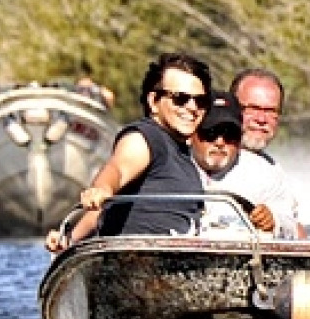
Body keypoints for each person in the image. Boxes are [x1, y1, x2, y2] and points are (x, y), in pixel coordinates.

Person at [47, 52, 211, 252]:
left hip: (178, 265)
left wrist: (70, 239)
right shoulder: (145, 138)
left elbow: (104, 211)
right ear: (154, 101)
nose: (192, 107)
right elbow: (118, 168)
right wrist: (103, 189)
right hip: (134, 265)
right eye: (180, 99)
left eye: (201, 101)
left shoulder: (182, 152)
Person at [189, 93, 298, 238]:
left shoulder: (265, 172)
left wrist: (273, 220)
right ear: (191, 134)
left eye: (230, 134)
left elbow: (291, 225)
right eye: (210, 132)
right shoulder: (169, 164)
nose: (220, 142)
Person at [230, 67, 304, 236]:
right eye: (252, 109)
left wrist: (273, 221)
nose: (261, 119)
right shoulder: (198, 154)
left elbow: (297, 231)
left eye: (271, 111)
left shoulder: (273, 172)